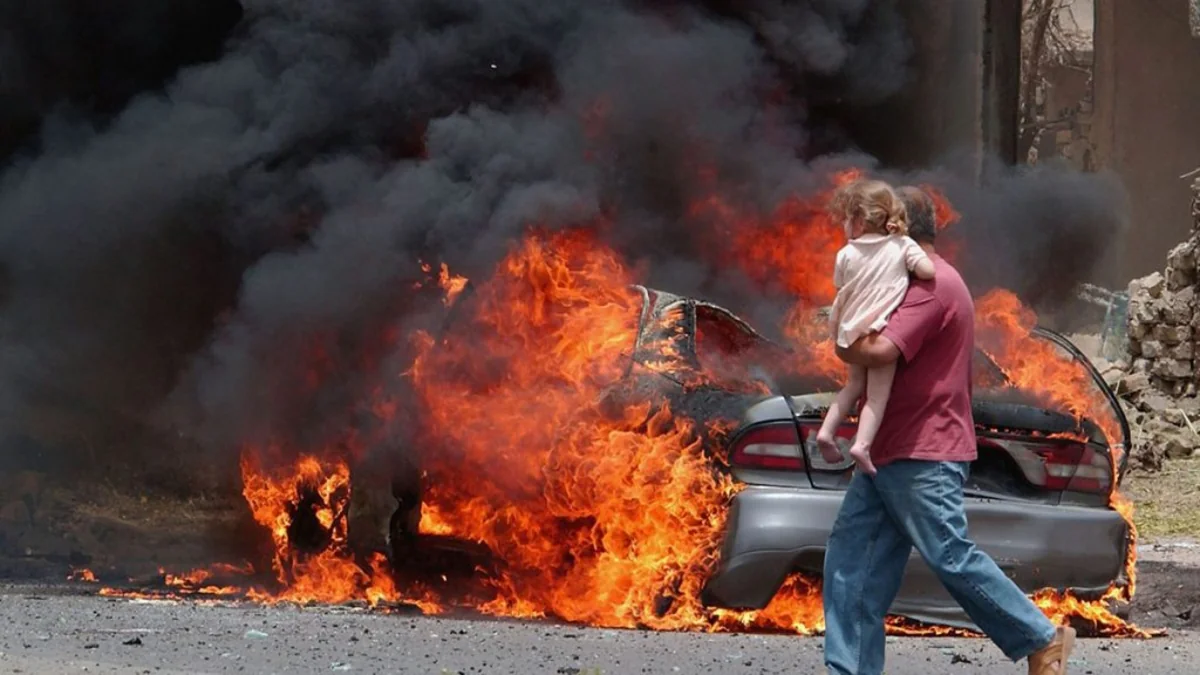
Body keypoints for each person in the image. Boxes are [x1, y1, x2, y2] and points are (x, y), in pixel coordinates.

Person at [821, 185, 1076, 675]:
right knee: (852, 567)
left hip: (924, 451)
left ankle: (1041, 638)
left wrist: (839, 338)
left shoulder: (931, 288)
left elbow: (878, 353)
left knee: (950, 555)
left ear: (897, 230)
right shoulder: (905, 280)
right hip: (889, 452)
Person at [815, 180, 935, 476]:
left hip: (850, 334)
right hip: (879, 335)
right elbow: (929, 271)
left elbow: (841, 287)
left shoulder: (846, 253)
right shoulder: (902, 245)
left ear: (858, 220)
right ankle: (862, 445)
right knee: (877, 396)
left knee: (853, 386)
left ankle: (826, 433)